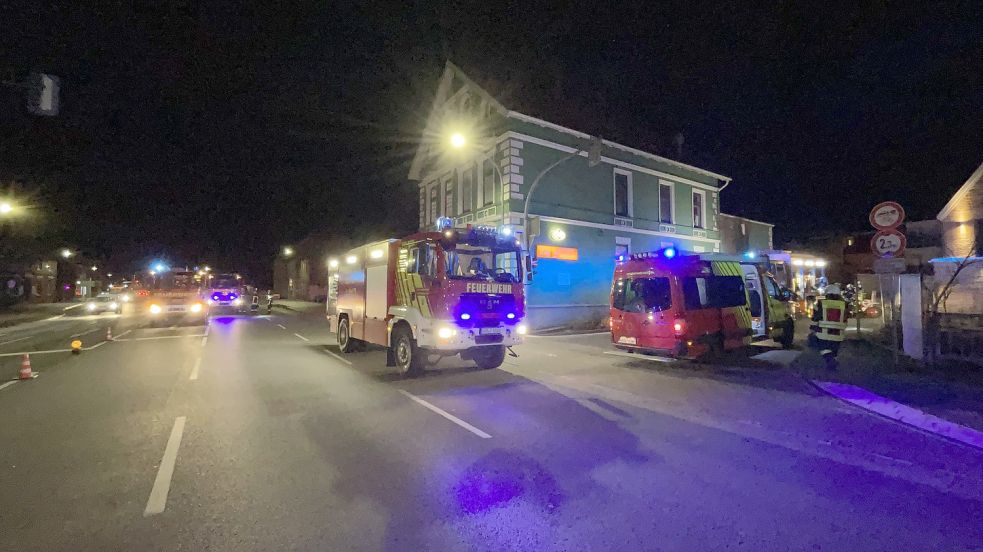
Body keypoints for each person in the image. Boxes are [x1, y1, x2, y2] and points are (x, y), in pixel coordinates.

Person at [809, 283, 849, 370]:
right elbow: (846, 317)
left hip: (823, 332)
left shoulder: (820, 303)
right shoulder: (844, 304)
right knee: (834, 349)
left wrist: (812, 328)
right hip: (838, 333)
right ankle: (832, 364)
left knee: (823, 347)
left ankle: (831, 361)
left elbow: (816, 318)